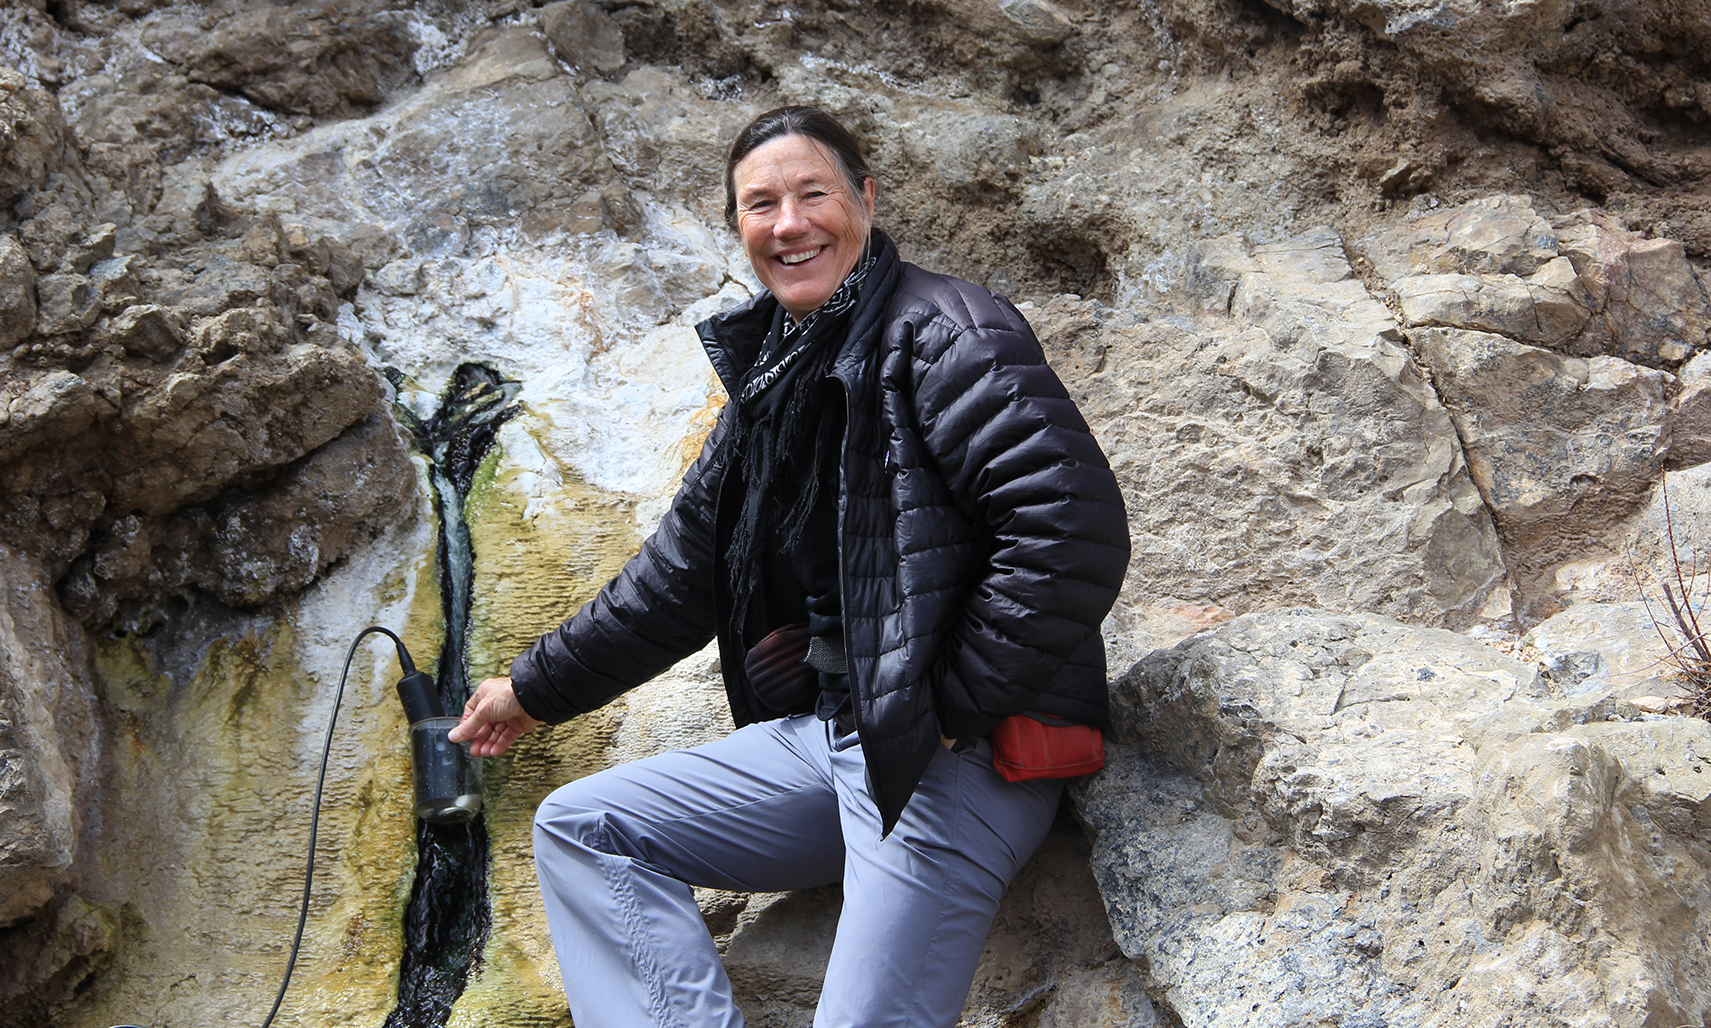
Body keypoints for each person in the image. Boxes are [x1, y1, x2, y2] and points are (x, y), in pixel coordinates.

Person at [448, 105, 1130, 1028]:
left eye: (813, 193)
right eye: (760, 204)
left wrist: (946, 709)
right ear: (738, 228)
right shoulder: (774, 371)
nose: (789, 223)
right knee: (584, 829)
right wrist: (532, 688)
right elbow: (680, 573)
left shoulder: (947, 332)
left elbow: (1068, 529)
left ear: (865, 199)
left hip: (952, 761)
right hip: (837, 740)